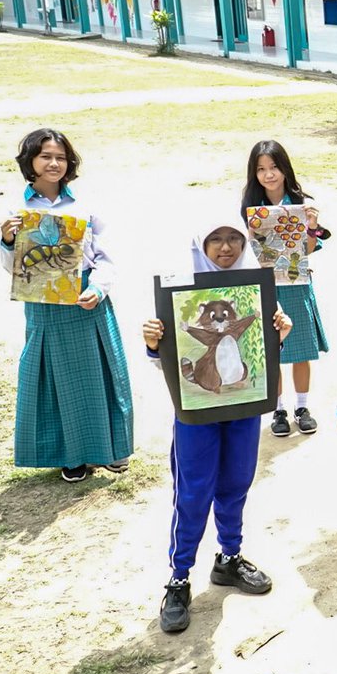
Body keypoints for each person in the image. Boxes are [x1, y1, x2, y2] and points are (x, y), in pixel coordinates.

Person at [142, 220, 293, 633]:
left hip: (243, 409)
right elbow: (163, 357)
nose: (226, 248)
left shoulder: (256, 290)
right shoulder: (181, 290)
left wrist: (279, 334)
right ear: (200, 243)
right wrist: (154, 343)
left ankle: (229, 558)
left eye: (234, 239)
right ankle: (178, 578)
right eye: (215, 239)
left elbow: (262, 351)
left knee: (236, 482)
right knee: (193, 491)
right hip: (197, 415)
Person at [0, 128, 133, 483]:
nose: (54, 163)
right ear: (30, 160)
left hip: (87, 298)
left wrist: (99, 288)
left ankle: (113, 449)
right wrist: (8, 240)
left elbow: (106, 256)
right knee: (58, 380)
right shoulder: (18, 210)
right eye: (45, 156)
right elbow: (11, 268)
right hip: (43, 304)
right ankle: (72, 455)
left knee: (102, 372)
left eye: (60, 157)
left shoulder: (86, 206)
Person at [241, 140, 329, 437]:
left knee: (301, 349)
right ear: (254, 173)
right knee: (272, 348)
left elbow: (309, 248)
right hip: (266, 284)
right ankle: (278, 409)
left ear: (284, 169)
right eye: (261, 169)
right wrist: (252, 235)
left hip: (296, 282)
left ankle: (302, 407)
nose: (268, 175)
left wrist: (312, 225)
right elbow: (249, 252)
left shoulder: (301, 202)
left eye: (274, 167)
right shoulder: (251, 207)